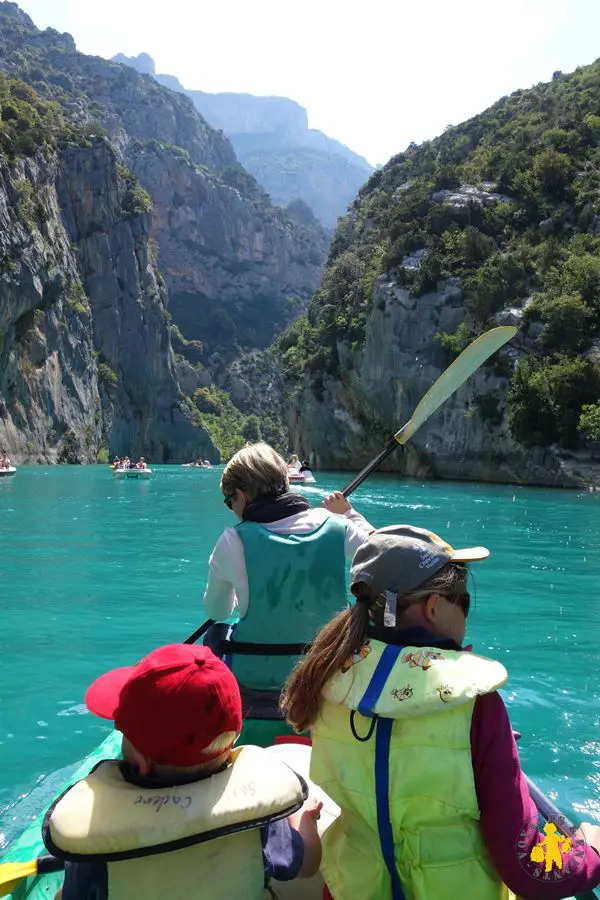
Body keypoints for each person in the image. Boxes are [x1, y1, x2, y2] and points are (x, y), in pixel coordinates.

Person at [281, 525, 600, 900]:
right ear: (434, 608)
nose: (465, 612)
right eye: (462, 600)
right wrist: (589, 853)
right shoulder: (476, 705)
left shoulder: (327, 680)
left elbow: (387, 756)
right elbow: (527, 866)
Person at [47, 643, 323, 900]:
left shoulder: (97, 829)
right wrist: (304, 817)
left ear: (142, 762)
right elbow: (307, 863)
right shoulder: (259, 811)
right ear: (232, 737)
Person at [201, 442, 373, 743]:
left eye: (230, 503)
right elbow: (383, 551)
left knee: (215, 634)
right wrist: (349, 514)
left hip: (258, 677)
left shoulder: (232, 541)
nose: (232, 511)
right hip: (330, 669)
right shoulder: (337, 526)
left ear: (241, 496)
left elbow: (217, 612)